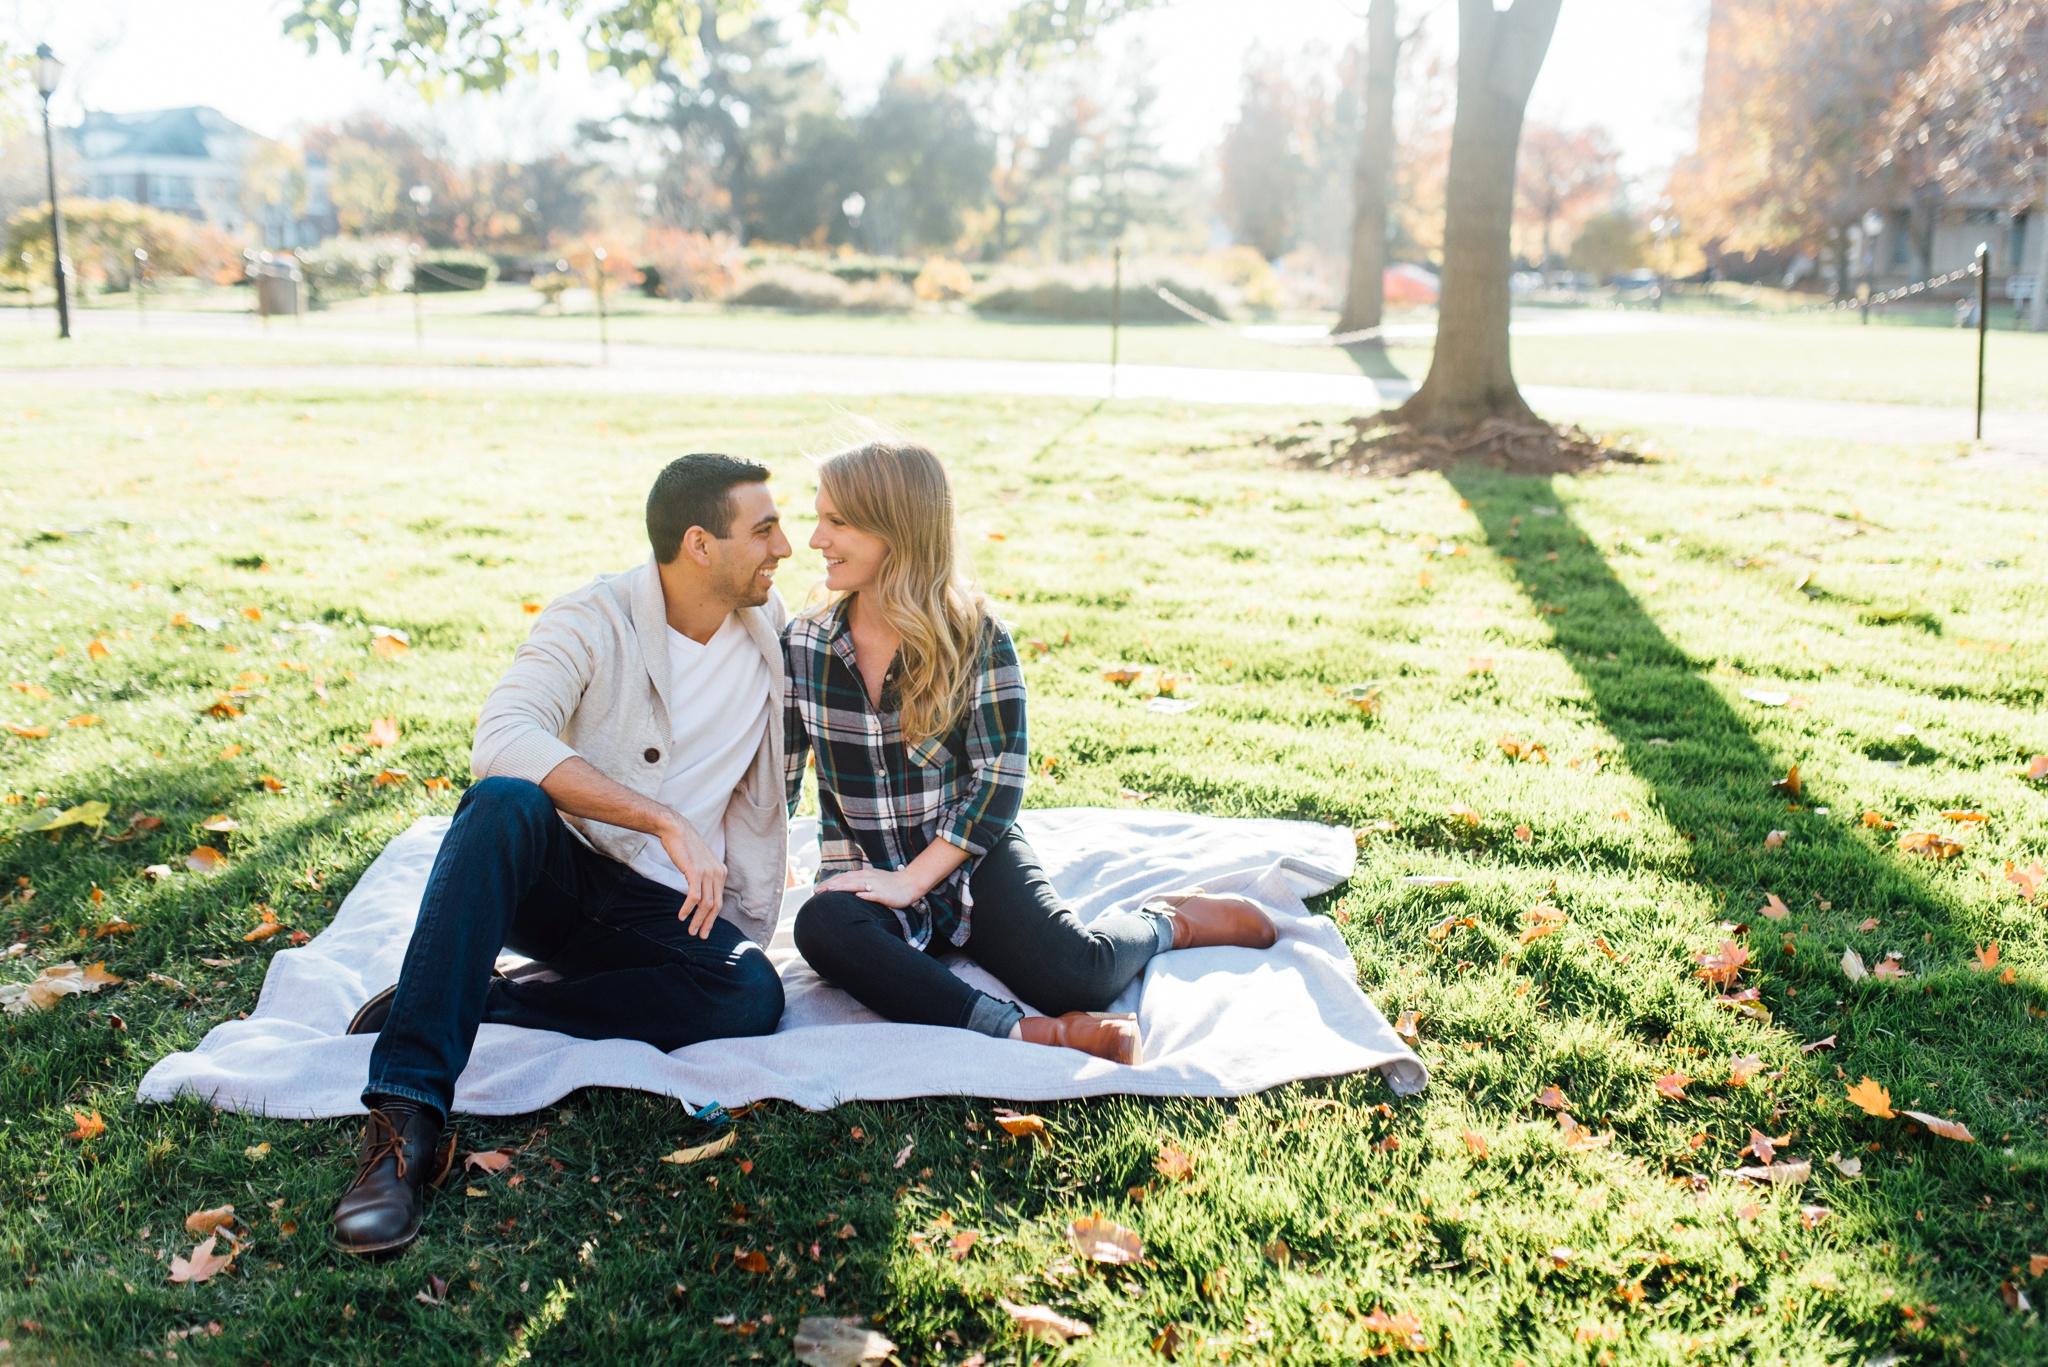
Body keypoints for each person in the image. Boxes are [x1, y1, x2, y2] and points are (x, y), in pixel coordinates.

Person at [330, 453, 794, 1257]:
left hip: (672, 910)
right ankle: (406, 1117)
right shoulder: (591, 617)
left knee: (751, 994)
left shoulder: (769, 626)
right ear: (699, 545)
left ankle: (489, 999)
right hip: (566, 876)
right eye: (764, 528)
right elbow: (503, 738)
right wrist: (661, 819)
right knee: (504, 801)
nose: (784, 546)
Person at [784, 440, 1279, 1066]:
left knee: (1080, 976)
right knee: (822, 929)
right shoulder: (803, 644)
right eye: (818, 517)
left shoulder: (976, 638)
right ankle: (1025, 1033)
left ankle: (1167, 923)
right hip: (865, 869)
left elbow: (999, 782)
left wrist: (914, 880)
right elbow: (776, 781)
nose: (814, 540)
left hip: (971, 857)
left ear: (897, 531)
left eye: (836, 522)